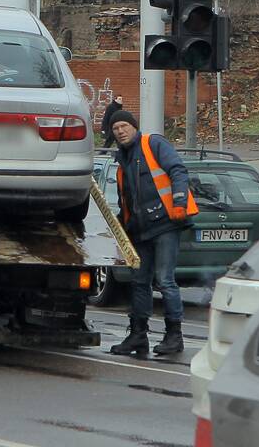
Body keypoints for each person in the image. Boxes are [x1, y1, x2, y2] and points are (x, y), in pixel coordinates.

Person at [108, 110, 197, 357]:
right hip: (141, 230)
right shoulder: (122, 161)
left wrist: (179, 203)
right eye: (116, 129)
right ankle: (138, 335)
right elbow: (125, 201)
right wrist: (122, 233)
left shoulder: (153, 144)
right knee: (139, 281)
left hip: (166, 224)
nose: (120, 131)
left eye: (124, 126)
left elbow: (178, 170)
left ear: (134, 127)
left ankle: (174, 336)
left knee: (165, 280)